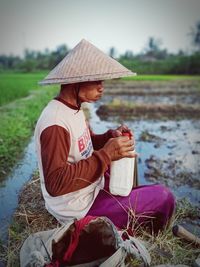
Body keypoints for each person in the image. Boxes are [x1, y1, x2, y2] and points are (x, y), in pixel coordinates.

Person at [35, 39, 175, 234]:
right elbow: (56, 184)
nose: (102, 87)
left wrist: (110, 138)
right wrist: (107, 155)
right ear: (76, 80)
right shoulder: (55, 123)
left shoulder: (74, 108)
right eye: (96, 80)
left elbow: (85, 143)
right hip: (77, 208)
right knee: (163, 196)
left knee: (124, 172)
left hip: (87, 189)